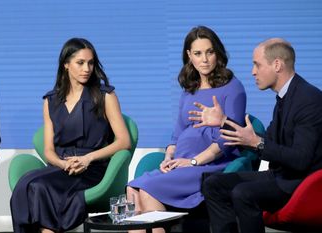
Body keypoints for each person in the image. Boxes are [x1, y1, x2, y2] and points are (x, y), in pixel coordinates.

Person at [189, 38, 322, 233]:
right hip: (280, 176)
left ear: (277, 65)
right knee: (213, 184)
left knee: (243, 193)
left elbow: (301, 159)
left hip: (301, 184)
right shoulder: (285, 97)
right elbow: (270, 142)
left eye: (257, 65)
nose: (253, 71)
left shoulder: (309, 99)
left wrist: (258, 143)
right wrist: (224, 121)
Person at [127, 26, 246, 233]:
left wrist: (193, 161)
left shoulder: (233, 87)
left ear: (217, 53)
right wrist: (168, 157)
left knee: (147, 190)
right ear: (189, 56)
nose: (205, 59)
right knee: (133, 189)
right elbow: (177, 135)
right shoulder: (189, 90)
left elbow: (228, 137)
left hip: (210, 165)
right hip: (182, 163)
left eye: (210, 52)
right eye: (198, 54)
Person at [10, 38, 131, 233]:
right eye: (80, 63)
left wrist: (87, 158)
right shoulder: (50, 101)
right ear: (66, 64)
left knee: (40, 187)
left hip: (93, 168)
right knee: (27, 184)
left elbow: (124, 141)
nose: (87, 69)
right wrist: (63, 164)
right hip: (62, 167)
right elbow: (49, 150)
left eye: (90, 63)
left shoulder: (105, 95)